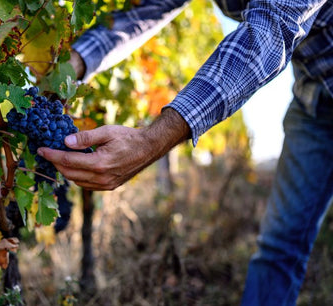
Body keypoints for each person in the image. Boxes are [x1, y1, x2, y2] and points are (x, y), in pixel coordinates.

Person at [37, 0, 333, 304]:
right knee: (279, 247)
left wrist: (152, 140)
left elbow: (270, 29)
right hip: (314, 101)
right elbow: (147, 10)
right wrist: (73, 64)